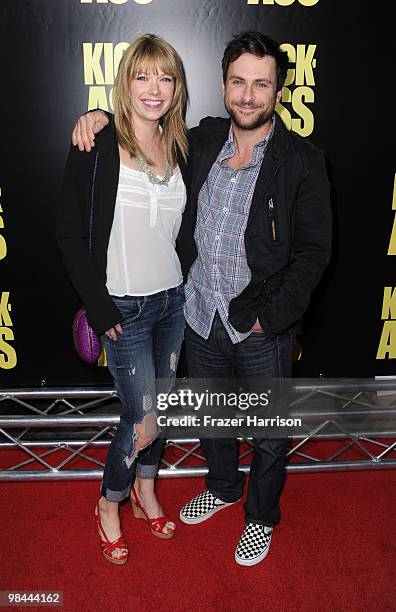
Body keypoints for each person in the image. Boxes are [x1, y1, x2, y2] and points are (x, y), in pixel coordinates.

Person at [71, 31, 332, 567]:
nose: (248, 95)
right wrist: (96, 113)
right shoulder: (204, 139)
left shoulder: (302, 161)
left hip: (258, 323)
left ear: (278, 91)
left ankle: (260, 516)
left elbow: (313, 253)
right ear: (224, 85)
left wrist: (272, 318)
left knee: (265, 431)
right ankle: (223, 487)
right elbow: (142, 125)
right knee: (215, 418)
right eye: (239, 82)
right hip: (196, 312)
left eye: (261, 84)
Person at [57, 33, 189, 565]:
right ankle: (110, 504)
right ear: (125, 82)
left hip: (173, 303)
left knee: (162, 411)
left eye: (165, 77)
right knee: (141, 420)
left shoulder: (184, 146)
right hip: (124, 311)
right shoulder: (96, 143)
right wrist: (100, 305)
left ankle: (146, 490)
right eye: (143, 75)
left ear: (177, 88)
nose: (154, 88)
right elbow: (68, 233)